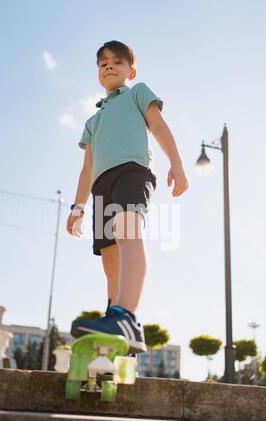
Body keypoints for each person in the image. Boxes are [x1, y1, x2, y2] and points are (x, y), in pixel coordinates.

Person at [66, 40, 188, 354]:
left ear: (130, 70)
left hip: (132, 172)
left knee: (127, 233)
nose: (109, 66)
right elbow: (87, 167)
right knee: (109, 257)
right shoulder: (92, 122)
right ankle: (114, 320)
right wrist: (78, 207)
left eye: (117, 62)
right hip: (101, 186)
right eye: (103, 62)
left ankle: (126, 316)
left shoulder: (137, 92)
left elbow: (159, 126)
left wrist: (176, 163)